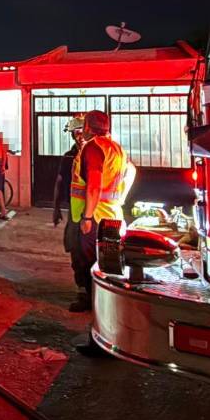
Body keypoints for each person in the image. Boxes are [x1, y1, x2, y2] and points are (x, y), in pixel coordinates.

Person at [71, 109, 131, 312]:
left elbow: (94, 185)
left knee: (88, 258)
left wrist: (87, 217)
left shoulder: (93, 147)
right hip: (113, 213)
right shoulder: (116, 148)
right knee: (107, 259)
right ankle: (108, 300)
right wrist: (120, 198)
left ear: (87, 127)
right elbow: (132, 172)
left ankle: (91, 300)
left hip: (95, 215)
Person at [52, 116, 89, 301]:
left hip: (95, 215)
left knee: (93, 252)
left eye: (82, 132)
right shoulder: (69, 156)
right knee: (75, 249)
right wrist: (56, 208)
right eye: (76, 133)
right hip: (76, 214)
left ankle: (95, 290)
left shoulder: (97, 154)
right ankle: (82, 289)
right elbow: (59, 182)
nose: (80, 136)